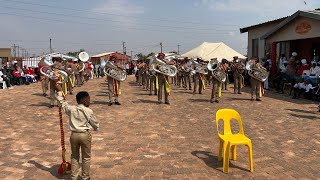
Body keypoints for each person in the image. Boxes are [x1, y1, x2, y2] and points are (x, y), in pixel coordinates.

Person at [55, 84, 99, 180]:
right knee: (86, 157)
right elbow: (95, 124)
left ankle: (74, 177)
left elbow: (62, 103)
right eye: (88, 99)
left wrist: (59, 91)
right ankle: (85, 177)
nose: (89, 101)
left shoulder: (71, 109)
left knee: (74, 156)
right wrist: (96, 128)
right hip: (84, 135)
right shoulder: (89, 111)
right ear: (83, 100)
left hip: (74, 135)